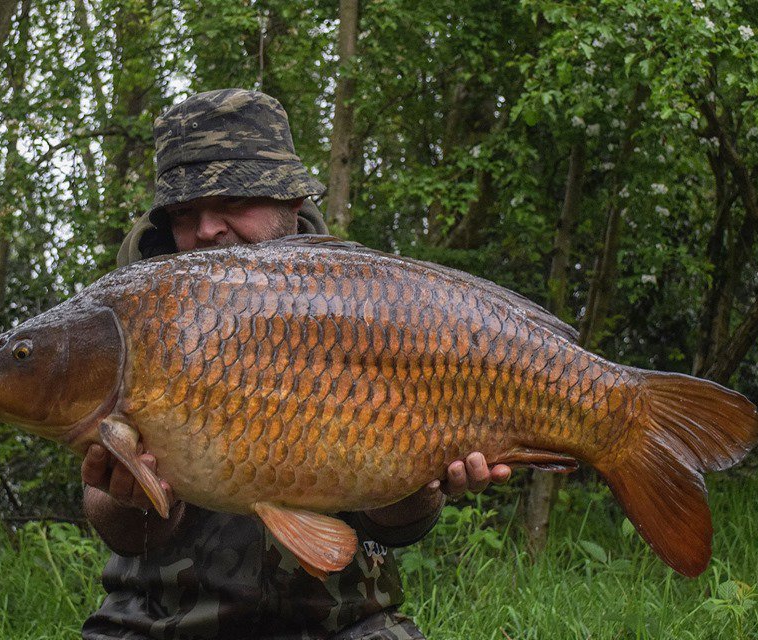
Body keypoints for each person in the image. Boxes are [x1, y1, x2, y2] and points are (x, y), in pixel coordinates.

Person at [80, 88, 511, 640]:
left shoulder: (372, 305)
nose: (207, 229)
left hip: (347, 620)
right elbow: (115, 524)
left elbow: (399, 526)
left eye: (235, 201)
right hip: (160, 620)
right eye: (185, 213)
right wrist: (131, 496)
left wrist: (425, 480)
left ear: (291, 202)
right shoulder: (131, 321)